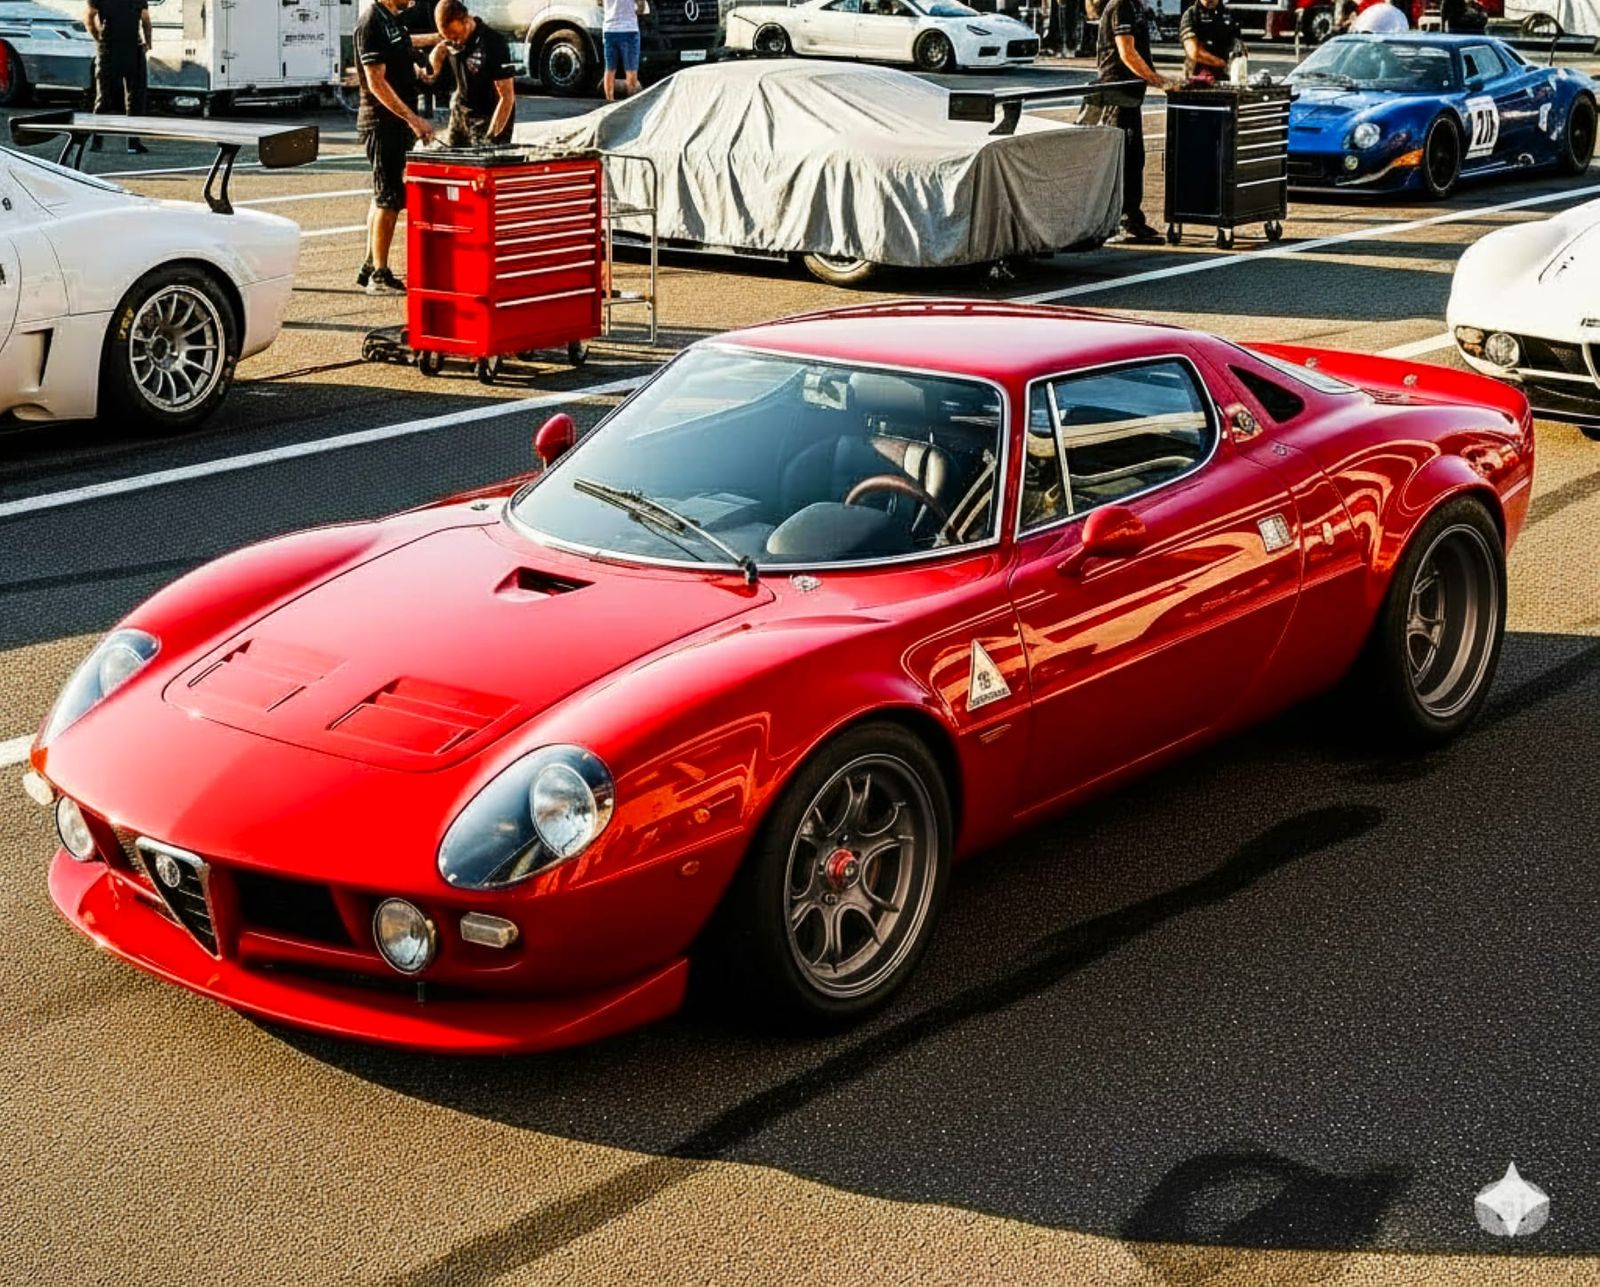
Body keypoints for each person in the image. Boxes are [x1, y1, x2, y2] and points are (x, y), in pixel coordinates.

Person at [354, 0, 435, 295]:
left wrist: (418, 70)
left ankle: (370, 261)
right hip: (381, 122)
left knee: (383, 194)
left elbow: (404, 49)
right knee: (388, 197)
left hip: (395, 123)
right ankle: (380, 275)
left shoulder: (393, 20)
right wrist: (413, 119)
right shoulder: (371, 22)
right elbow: (377, 82)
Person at [1078, 0, 1173, 244]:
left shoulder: (1133, 5)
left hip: (1129, 95)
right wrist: (1159, 81)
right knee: (1123, 159)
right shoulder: (1121, 6)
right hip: (1116, 94)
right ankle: (1120, 221)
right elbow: (1127, 52)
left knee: (1134, 158)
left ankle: (1131, 218)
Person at [430, 0, 519, 146]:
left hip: (490, 114)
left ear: (467, 20)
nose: (455, 42)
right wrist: (435, 59)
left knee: (481, 160)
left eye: (456, 36)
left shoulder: (494, 43)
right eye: (448, 38)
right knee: (454, 161)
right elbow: (440, 49)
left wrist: (491, 138)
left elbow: (507, 98)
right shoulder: (451, 40)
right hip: (462, 110)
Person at [84, 0, 150, 155]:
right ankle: (133, 143)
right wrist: (147, 43)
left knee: (103, 98)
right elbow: (146, 20)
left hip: (108, 48)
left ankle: (97, 142)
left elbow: (89, 18)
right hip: (132, 48)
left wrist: (99, 39)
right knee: (135, 98)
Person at [1178, 0, 1242, 80]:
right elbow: (1194, 52)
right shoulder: (1191, 14)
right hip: (1196, 78)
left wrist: (1237, 65)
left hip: (1225, 77)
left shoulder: (1230, 14)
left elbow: (1239, 48)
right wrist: (1222, 64)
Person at [603, 0, 640, 102]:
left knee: (610, 69)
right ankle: (630, 101)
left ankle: (609, 99)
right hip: (629, 29)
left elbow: (599, 3)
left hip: (609, 29)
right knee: (631, 70)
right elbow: (641, 7)